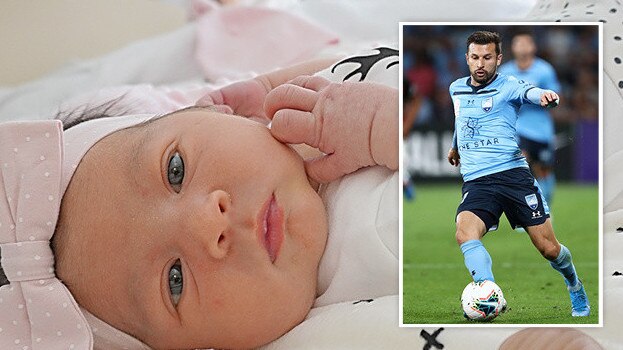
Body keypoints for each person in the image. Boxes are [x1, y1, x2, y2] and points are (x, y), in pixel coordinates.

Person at [0, 50, 399, 349]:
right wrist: (387, 128)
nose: (209, 224)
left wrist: (267, 90)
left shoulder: (309, 118)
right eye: (174, 282)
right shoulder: (342, 310)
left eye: (175, 170)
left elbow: (365, 58)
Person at [446, 31, 590, 317]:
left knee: (549, 249)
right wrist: (455, 146)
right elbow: (462, 119)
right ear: (467, 58)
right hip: (477, 181)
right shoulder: (456, 89)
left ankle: (574, 285)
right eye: (475, 57)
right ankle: (486, 291)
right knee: (465, 234)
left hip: (513, 176)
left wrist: (544, 96)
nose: (481, 64)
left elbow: (529, 92)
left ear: (498, 58)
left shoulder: (509, 84)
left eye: (487, 57)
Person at [499, 31, 561, 205]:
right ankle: (523, 210)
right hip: (517, 129)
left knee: (544, 172)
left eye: (526, 43)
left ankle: (546, 207)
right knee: (520, 168)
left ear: (533, 47)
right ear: (513, 47)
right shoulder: (505, 72)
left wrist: (537, 99)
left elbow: (555, 97)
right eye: (518, 43)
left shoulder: (545, 70)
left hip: (541, 129)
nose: (522, 47)